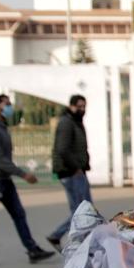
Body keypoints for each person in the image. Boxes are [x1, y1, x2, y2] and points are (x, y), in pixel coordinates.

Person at [0, 94, 56, 267]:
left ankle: (32, 250)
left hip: (2, 179)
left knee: (18, 214)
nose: (9, 107)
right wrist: (23, 174)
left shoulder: (0, 127)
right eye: (6, 104)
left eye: (10, 104)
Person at [46, 94, 92, 250]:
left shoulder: (75, 122)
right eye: (79, 106)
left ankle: (64, 238)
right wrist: (76, 168)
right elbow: (62, 149)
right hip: (71, 173)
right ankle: (70, 240)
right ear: (71, 106)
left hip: (75, 171)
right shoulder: (67, 123)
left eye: (84, 106)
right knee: (83, 210)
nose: (82, 109)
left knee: (82, 210)